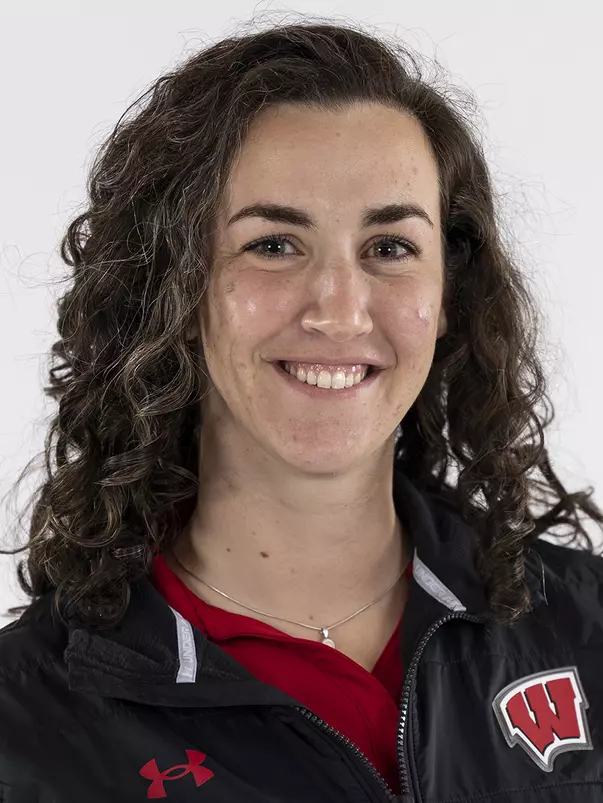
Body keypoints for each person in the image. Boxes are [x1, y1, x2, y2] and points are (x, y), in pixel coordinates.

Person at [0, 15, 602, 803]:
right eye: (273, 244)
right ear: (176, 286)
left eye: (389, 248)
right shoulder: (29, 721)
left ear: (449, 294)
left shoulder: (583, 624)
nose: (339, 310)